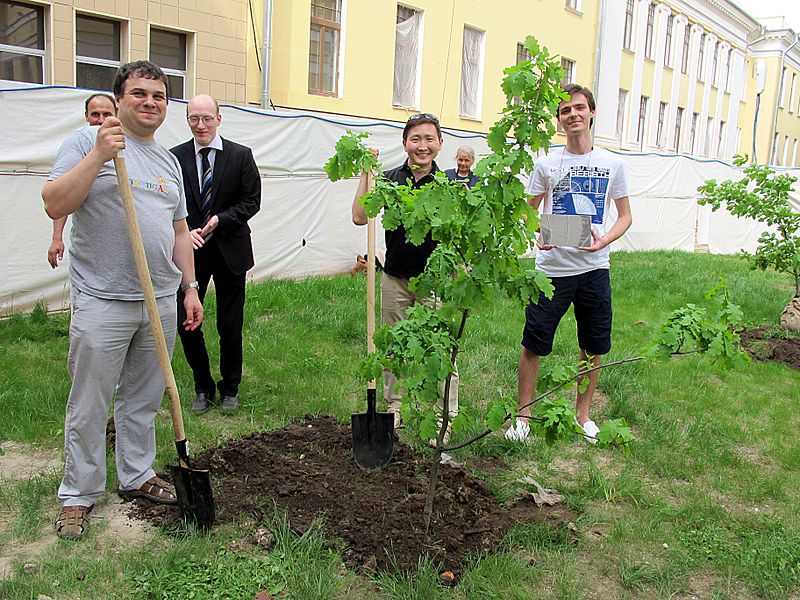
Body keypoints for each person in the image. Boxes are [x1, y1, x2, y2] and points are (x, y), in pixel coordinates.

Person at [43, 61, 203, 540]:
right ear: (118, 99)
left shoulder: (168, 161)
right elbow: (54, 202)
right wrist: (97, 156)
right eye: (139, 93)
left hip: (158, 297)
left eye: (158, 95)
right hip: (102, 298)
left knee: (144, 398)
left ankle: (136, 475)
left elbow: (179, 230)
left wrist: (189, 287)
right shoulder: (85, 142)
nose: (149, 102)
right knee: (90, 401)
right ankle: (79, 492)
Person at [506, 83, 632, 443]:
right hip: (551, 271)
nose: (573, 115)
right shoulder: (546, 164)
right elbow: (528, 213)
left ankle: (583, 415)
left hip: (594, 270)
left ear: (591, 112)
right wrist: (536, 234)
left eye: (579, 108)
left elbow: (625, 216)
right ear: (559, 120)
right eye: (565, 111)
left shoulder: (612, 164)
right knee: (534, 343)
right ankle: (524, 418)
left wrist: (605, 239)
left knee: (592, 344)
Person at [351, 113, 458, 445]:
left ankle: (444, 415)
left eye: (429, 139)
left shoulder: (449, 186)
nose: (422, 146)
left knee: (439, 349)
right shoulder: (388, 180)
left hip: (435, 281)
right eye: (416, 139)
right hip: (396, 277)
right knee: (393, 348)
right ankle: (393, 408)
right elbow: (359, 216)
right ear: (405, 144)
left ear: (439, 144)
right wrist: (365, 175)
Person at [171, 94, 261, 415]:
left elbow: (252, 201)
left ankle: (230, 388)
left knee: (229, 323)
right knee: (188, 321)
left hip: (230, 250)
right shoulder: (174, 158)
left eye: (207, 118)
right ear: (188, 121)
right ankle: (202, 386)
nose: (201, 125)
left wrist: (221, 220)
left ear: (219, 119)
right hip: (190, 251)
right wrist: (187, 230)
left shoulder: (240, 156)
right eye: (194, 118)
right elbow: (169, 203)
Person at [47, 93, 117, 268]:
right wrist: (57, 238)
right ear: (86, 116)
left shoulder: (128, 146)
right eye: (95, 114)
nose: (100, 120)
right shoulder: (80, 144)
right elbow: (63, 195)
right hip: (91, 251)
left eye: (106, 114)